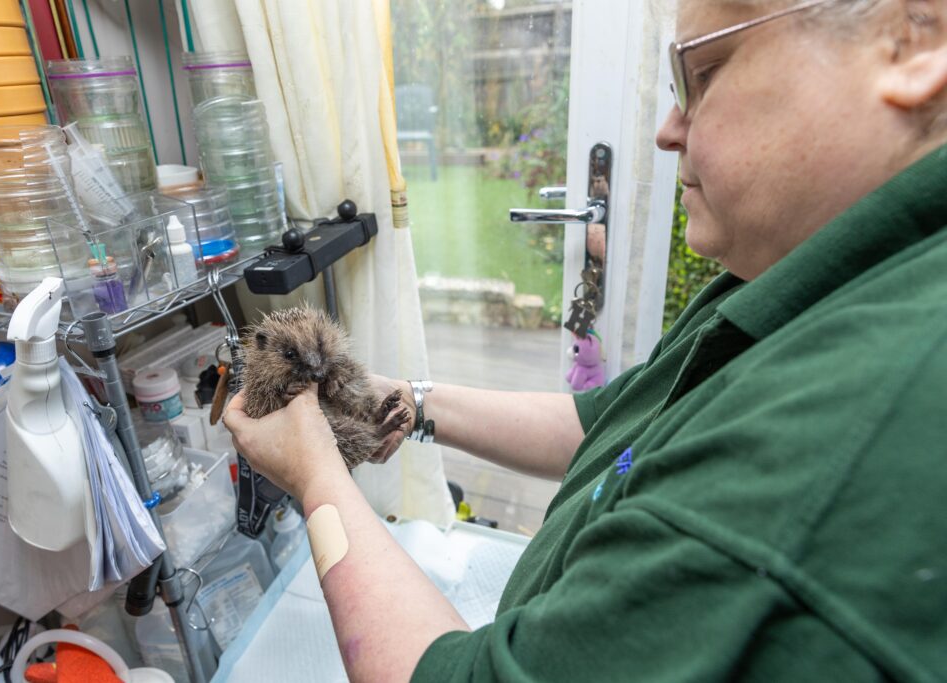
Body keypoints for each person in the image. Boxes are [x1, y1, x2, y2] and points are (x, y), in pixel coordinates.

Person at [222, 0, 947, 679]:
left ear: (913, 39)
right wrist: (407, 397)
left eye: (703, 73)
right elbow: (603, 424)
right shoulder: (793, 274)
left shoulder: (834, 435)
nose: (669, 126)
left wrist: (316, 474)